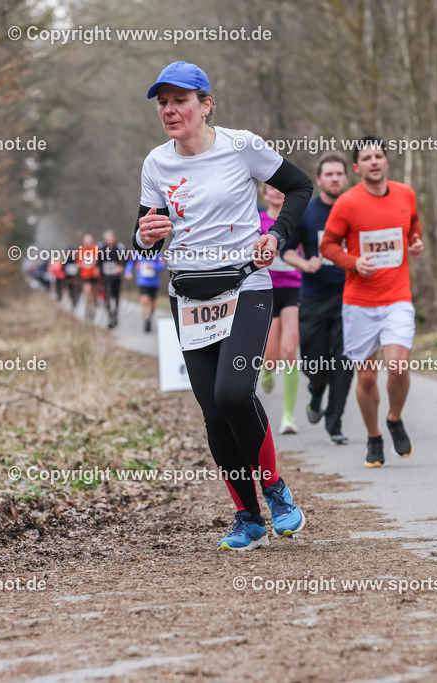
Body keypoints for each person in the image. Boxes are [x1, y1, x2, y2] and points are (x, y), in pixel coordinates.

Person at [134, 61, 312, 550]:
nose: (170, 110)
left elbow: (300, 187)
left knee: (235, 394)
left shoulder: (242, 146)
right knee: (214, 412)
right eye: (163, 102)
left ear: (206, 104)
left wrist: (276, 235)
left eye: (181, 101)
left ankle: (274, 489)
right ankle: (248, 517)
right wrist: (144, 235)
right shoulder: (156, 163)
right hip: (187, 295)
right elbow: (147, 233)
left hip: (245, 288)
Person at [320, 136, 424, 468]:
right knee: (366, 377)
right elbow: (328, 246)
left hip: (397, 297)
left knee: (398, 366)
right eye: (367, 158)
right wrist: (354, 263)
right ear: (357, 167)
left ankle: (394, 418)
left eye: (379, 155)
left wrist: (416, 242)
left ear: (386, 161)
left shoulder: (406, 193)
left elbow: (414, 225)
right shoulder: (347, 203)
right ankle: (374, 436)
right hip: (360, 301)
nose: (374, 161)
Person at [281, 153, 353, 445]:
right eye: (329, 174)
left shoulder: (355, 209)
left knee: (344, 363)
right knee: (314, 362)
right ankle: (315, 391)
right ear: (320, 179)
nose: (335, 178)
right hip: (312, 297)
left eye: (339, 174)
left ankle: (334, 423)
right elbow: (285, 250)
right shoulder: (307, 212)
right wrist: (304, 264)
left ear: (346, 178)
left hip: (350, 298)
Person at [259, 184, 302, 434]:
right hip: (266, 289)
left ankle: (288, 416)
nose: (276, 192)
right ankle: (266, 370)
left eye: (281, 188)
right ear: (264, 194)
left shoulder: (295, 220)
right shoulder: (257, 220)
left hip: (293, 289)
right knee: (272, 357)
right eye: (271, 188)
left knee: (289, 351)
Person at [124, 252, 165, 332]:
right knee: (144, 300)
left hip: (154, 282)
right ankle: (145, 321)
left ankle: (149, 318)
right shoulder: (138, 252)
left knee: (152, 304)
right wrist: (127, 272)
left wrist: (153, 266)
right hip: (142, 281)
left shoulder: (158, 252)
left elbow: (162, 266)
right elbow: (130, 262)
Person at [97, 230, 126, 328]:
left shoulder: (120, 248)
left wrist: (121, 267)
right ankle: (110, 318)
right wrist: (99, 270)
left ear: (114, 238)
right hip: (106, 278)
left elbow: (126, 259)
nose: (109, 241)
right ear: (105, 240)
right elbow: (98, 262)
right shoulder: (101, 249)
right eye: (107, 239)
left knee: (116, 297)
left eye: (111, 238)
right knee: (108, 297)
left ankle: (115, 315)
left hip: (116, 277)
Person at [78, 234, 101, 320]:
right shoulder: (81, 250)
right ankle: (88, 308)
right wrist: (79, 265)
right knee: (87, 291)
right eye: (86, 241)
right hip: (85, 275)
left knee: (94, 294)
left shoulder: (95, 249)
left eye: (89, 241)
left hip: (94, 275)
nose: (87, 243)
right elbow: (79, 261)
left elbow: (99, 260)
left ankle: (93, 309)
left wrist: (97, 268)